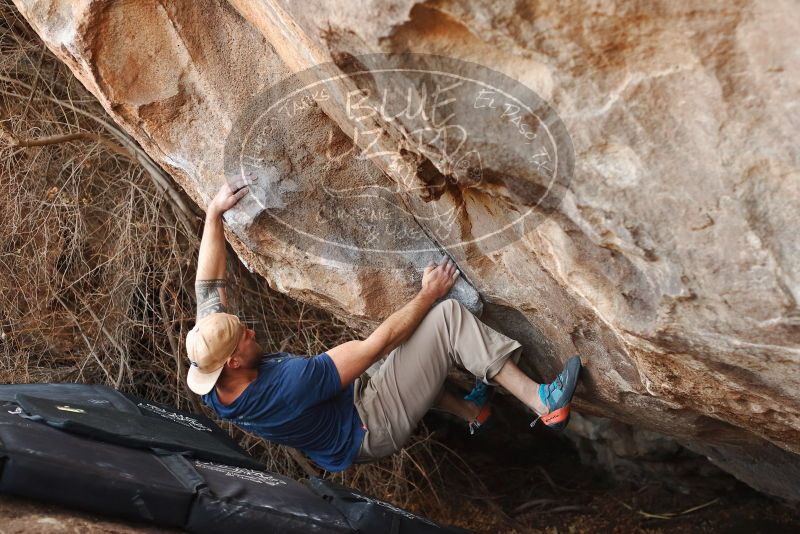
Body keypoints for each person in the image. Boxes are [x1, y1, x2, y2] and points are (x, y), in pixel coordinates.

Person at [186, 183, 582, 472]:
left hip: (344, 412)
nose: (252, 332)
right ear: (235, 361)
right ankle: (542, 402)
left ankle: (471, 410)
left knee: (406, 345)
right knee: (443, 319)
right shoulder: (289, 383)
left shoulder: (213, 369)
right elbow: (376, 345)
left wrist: (214, 214)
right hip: (369, 426)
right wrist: (429, 294)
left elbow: (208, 284)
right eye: (245, 337)